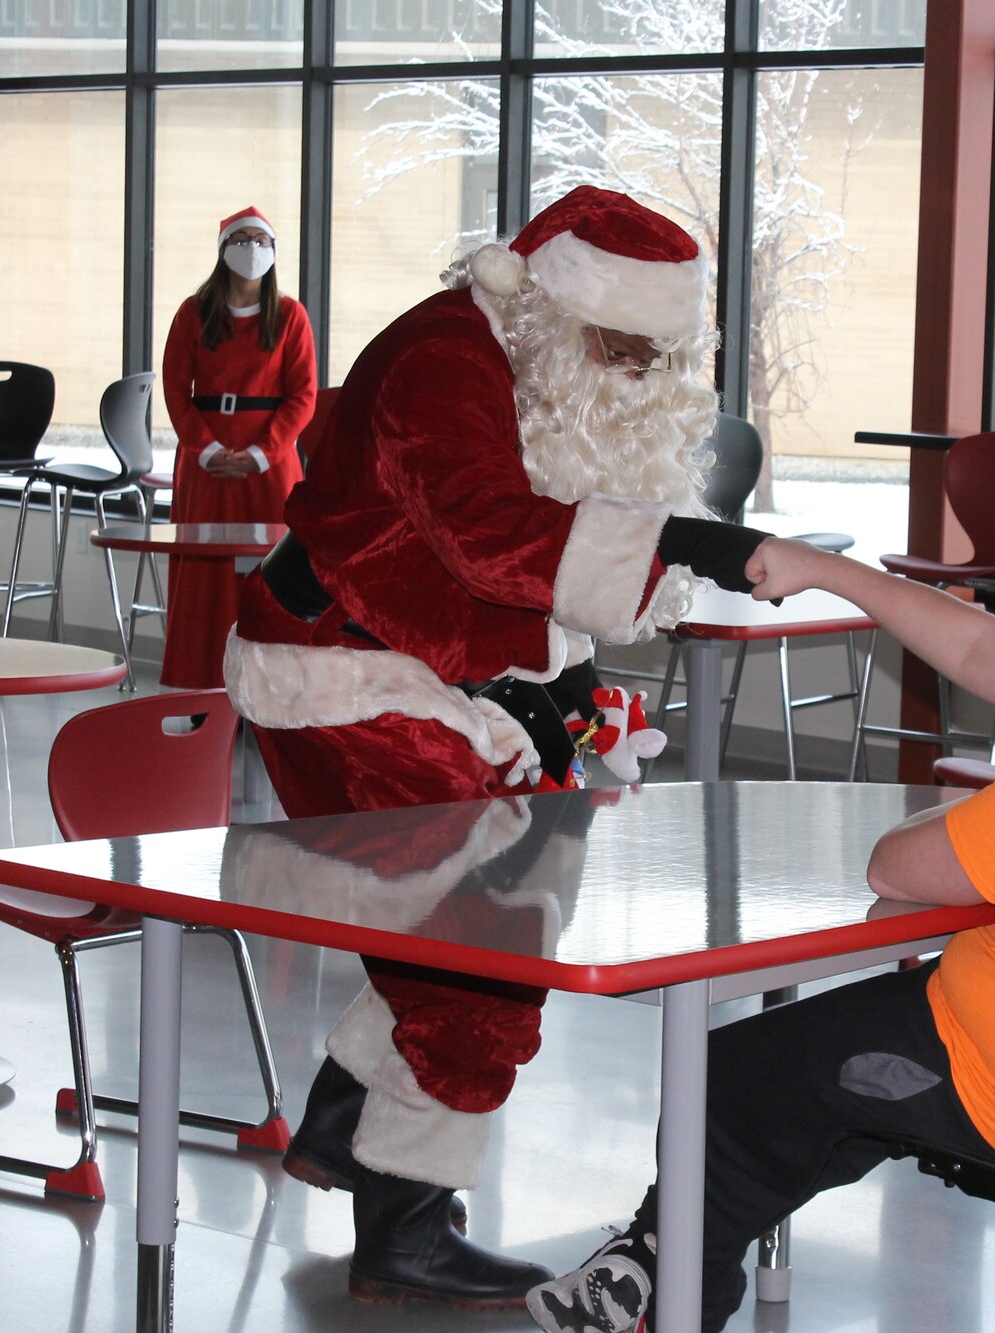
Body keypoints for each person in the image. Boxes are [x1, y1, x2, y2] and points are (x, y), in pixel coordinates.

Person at [220, 186, 772, 1308]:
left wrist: (560, 683)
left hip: (440, 668)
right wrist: (677, 541)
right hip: (343, 672)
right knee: (484, 945)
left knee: (487, 906)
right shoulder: (443, 361)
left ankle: (342, 1128)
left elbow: (527, 542)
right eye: (619, 346)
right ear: (561, 303)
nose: (634, 375)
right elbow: (481, 531)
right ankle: (404, 1229)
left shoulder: (540, 365)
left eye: (653, 355)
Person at [527, 530, 995, 1333]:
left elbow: (896, 866)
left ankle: (670, 1300)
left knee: (728, 1076)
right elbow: (978, 647)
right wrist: (824, 571)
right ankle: (652, 1261)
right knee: (819, 1081)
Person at [159, 205, 317, 688]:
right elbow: (173, 390)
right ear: (224, 248)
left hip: (269, 468)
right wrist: (206, 450)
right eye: (242, 239)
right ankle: (199, 681)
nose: (253, 249)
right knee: (204, 580)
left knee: (269, 575)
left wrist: (260, 454)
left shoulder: (290, 315)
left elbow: (303, 395)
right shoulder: (193, 313)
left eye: (262, 240)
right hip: (205, 465)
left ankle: (269, 691)